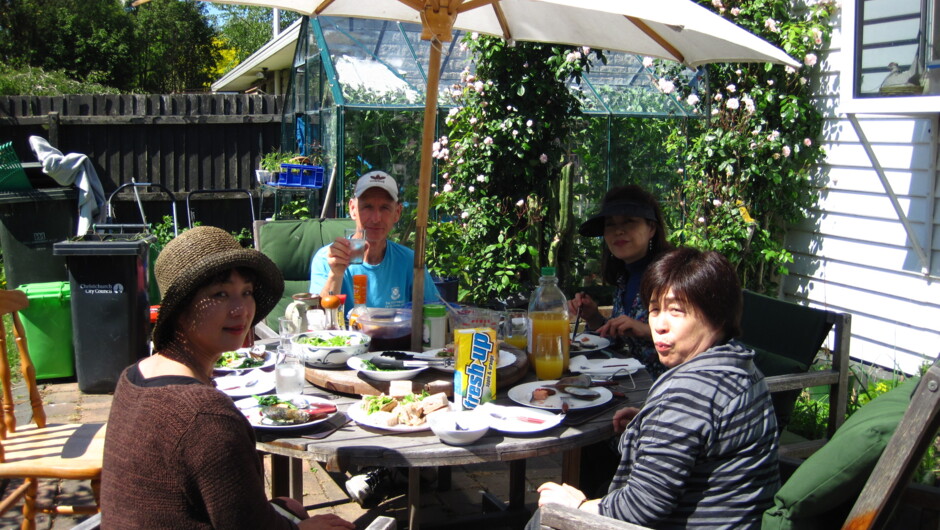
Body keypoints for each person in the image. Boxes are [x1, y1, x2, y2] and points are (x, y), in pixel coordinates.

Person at [100, 226, 355, 530]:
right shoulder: (207, 417)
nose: (241, 310)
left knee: (289, 504)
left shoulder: (132, 376)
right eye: (220, 294)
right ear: (180, 309)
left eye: (246, 292)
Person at [533, 248, 780, 529]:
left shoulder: (688, 392)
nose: (659, 325)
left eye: (676, 311)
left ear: (717, 315)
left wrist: (577, 506)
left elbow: (641, 507)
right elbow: (701, 434)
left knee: (545, 516)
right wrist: (650, 425)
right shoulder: (741, 365)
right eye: (654, 309)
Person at [569, 185, 672, 379]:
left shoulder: (672, 275)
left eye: (629, 222)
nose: (618, 231)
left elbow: (699, 338)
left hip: (673, 387)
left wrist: (644, 330)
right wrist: (593, 317)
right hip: (631, 383)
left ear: (651, 228)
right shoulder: (624, 276)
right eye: (611, 224)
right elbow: (621, 340)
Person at [309, 170, 440, 315]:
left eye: (385, 208)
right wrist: (335, 274)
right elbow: (319, 320)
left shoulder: (410, 261)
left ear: (397, 212)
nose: (376, 218)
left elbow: (432, 312)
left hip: (395, 337)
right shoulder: (328, 258)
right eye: (367, 207)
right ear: (352, 209)